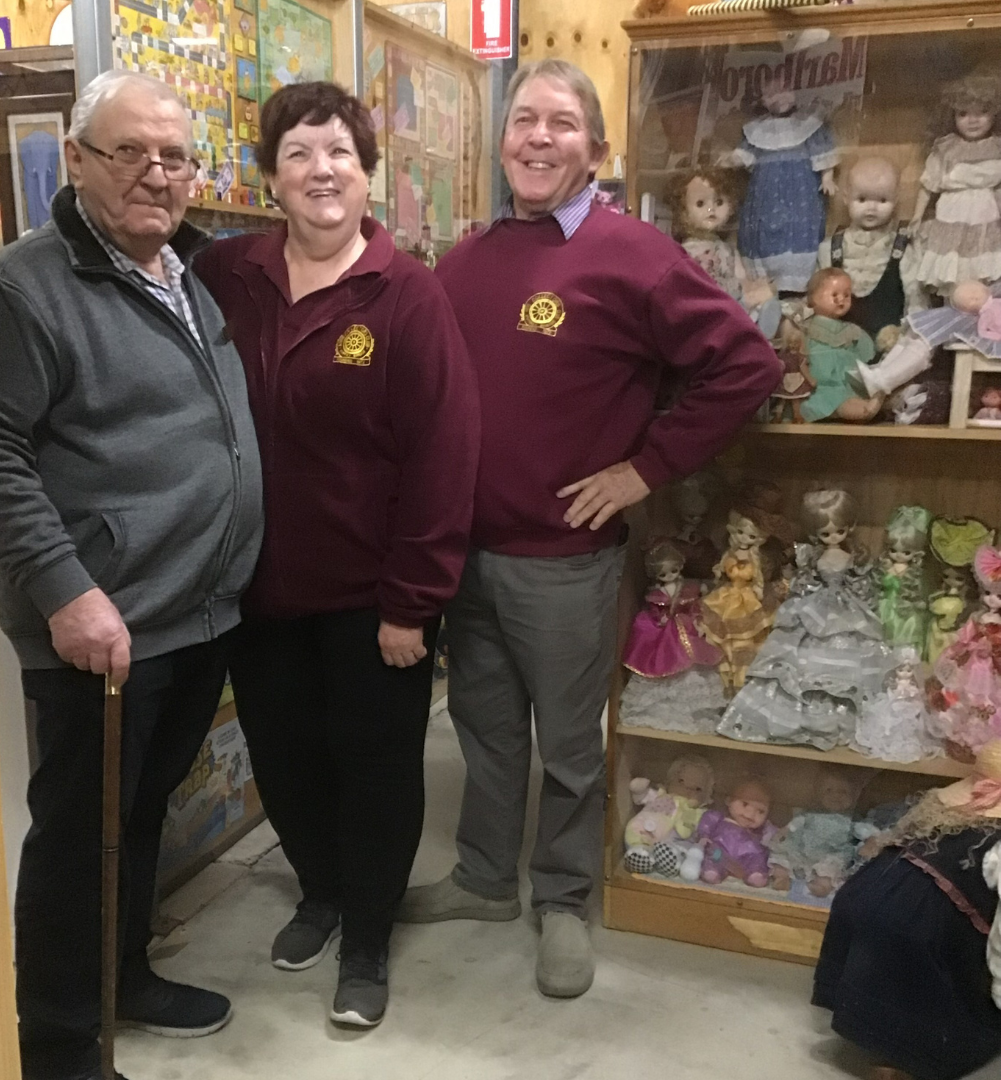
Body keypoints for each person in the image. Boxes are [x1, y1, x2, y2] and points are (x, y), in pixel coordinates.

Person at [397, 59, 782, 999]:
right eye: (523, 119)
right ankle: (486, 877)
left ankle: (563, 899)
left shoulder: (634, 255)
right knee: (488, 734)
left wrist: (644, 468)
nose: (538, 137)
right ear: (501, 143)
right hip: (466, 557)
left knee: (570, 751)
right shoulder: (467, 262)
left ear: (597, 149)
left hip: (565, 561)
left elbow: (747, 366)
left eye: (561, 123)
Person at [0, 70, 263, 1080]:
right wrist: (67, 593)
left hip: (192, 613)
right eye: (129, 151)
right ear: (77, 159)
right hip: (101, 626)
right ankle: (57, 1046)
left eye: (174, 156)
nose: (156, 173)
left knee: (137, 819)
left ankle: (122, 978)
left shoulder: (187, 271)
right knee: (77, 840)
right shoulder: (25, 288)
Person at [193, 82, 479, 1028]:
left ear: (367, 174)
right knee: (284, 758)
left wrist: (413, 601)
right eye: (300, 154)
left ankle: (366, 935)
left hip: (372, 597)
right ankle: (320, 891)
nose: (322, 170)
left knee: (377, 768)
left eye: (340, 154)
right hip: (257, 589)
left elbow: (444, 456)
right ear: (271, 178)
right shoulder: (226, 273)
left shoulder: (407, 296)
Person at [813, 740, 1001, 1080]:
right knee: (936, 955)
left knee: (892, 948)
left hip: (867, 895)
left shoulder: (939, 811)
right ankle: (908, 1054)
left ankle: (875, 1030)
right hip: (919, 921)